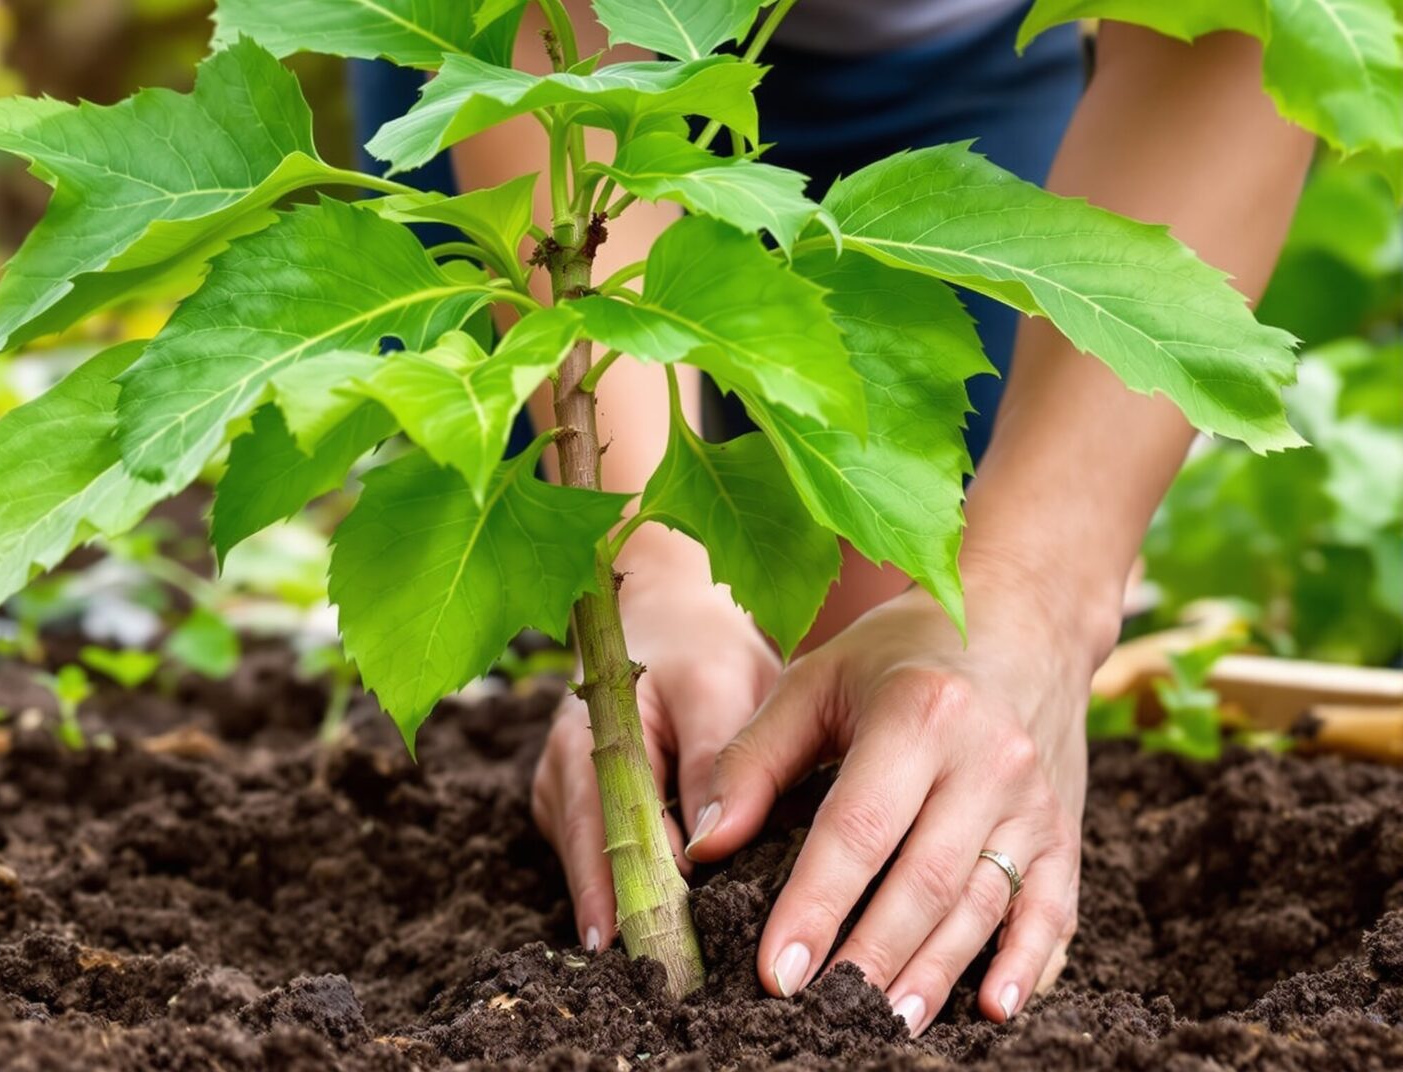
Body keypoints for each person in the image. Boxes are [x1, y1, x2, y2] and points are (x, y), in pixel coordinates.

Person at [350, 0, 1314, 1036]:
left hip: (954, 73)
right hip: (559, 84)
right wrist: (649, 564)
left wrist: (1036, 595)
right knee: (722, 673)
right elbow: (553, 36)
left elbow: (1241, 23)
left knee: (904, 677)